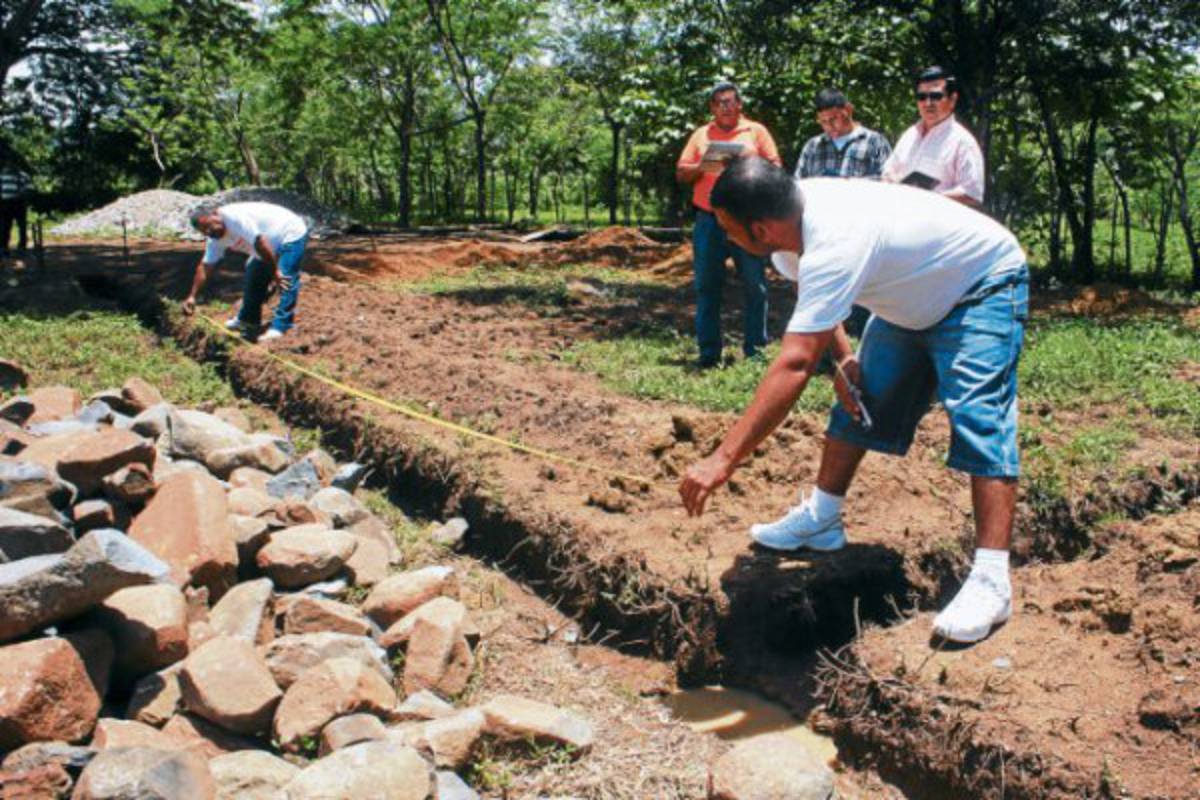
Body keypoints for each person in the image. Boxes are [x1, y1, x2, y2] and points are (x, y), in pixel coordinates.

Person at [678, 157, 1029, 645]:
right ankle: (822, 520)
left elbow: (796, 363)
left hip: (980, 282)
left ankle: (991, 579)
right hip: (911, 298)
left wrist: (722, 459)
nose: (726, 236)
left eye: (727, 227)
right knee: (859, 397)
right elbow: (816, 295)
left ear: (760, 229)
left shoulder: (833, 235)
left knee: (977, 414)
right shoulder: (791, 222)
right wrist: (844, 359)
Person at [677, 81, 782, 368]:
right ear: (712, 108)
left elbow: (776, 167)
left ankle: (755, 353)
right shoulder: (701, 134)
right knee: (706, 287)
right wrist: (702, 166)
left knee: (755, 286)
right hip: (709, 219)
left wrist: (751, 161)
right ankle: (709, 354)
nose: (725, 107)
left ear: (740, 105)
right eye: (719, 102)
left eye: (730, 101)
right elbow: (681, 173)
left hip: (745, 219)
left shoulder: (756, 131)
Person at [182, 202, 309, 341]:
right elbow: (205, 266)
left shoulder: (235, 218)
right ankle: (248, 319)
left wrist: (275, 272)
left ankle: (281, 326)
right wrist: (192, 296)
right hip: (266, 244)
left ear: (215, 214)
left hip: (288, 231)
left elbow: (260, 242)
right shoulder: (214, 238)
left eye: (208, 225)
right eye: (204, 231)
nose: (208, 232)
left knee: (285, 277)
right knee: (253, 272)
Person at [881, 65, 985, 207]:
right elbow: (888, 173)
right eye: (922, 97)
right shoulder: (909, 135)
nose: (928, 103)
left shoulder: (963, 142)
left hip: (938, 219)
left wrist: (929, 199)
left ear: (952, 100)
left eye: (935, 96)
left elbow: (972, 194)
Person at [795, 88, 891, 179]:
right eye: (823, 121)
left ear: (848, 110)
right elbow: (799, 184)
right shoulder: (812, 147)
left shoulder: (875, 142)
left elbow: (888, 181)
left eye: (833, 119)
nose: (829, 126)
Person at [0, 151, 33, 256]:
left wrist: (22, 194)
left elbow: (28, 189)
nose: (10, 164)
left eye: (13, 162)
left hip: (19, 203)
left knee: (22, 226)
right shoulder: (1, 175)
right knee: (5, 226)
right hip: (5, 203)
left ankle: (22, 248)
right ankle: (3, 248)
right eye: (9, 162)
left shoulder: (23, 175)